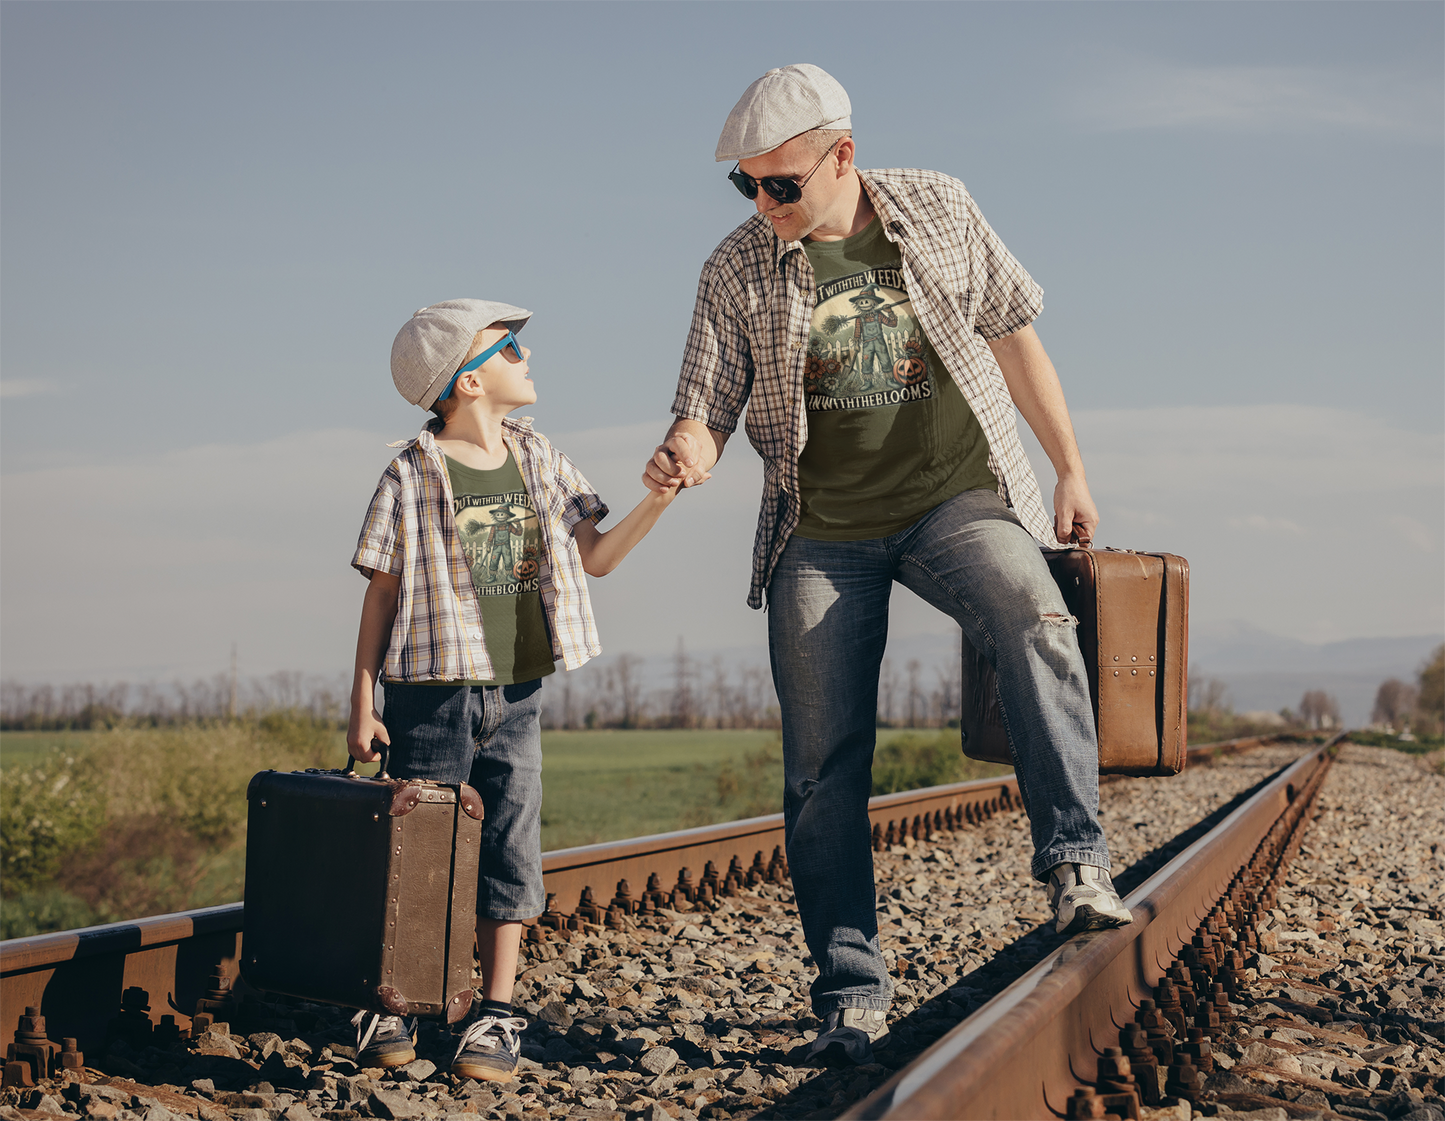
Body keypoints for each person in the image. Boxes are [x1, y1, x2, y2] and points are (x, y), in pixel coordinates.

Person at [643, 65, 1132, 1066]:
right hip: (818, 529)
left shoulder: (938, 207)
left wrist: (1070, 469)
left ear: (841, 156)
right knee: (822, 766)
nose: (763, 205)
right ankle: (851, 993)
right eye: (746, 186)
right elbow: (703, 404)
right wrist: (689, 443)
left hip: (954, 496)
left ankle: (1076, 866)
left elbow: (1014, 338)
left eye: (781, 184)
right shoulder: (733, 269)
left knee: (1033, 614)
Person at [348, 299, 687, 1081]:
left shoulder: (539, 457)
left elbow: (596, 556)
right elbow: (382, 593)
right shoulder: (410, 470)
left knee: (510, 846)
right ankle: (393, 1001)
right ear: (467, 379)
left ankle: (492, 1013)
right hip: (429, 690)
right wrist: (361, 699)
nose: (526, 358)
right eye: (509, 349)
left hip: (518, 693)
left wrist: (661, 498)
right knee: (419, 852)